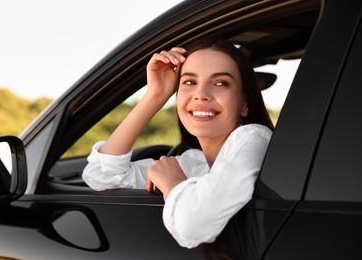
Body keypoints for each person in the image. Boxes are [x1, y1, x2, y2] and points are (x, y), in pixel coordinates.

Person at [82, 38, 273, 249]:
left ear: (245, 104)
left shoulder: (255, 138)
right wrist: (155, 95)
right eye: (189, 82)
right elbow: (102, 175)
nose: (201, 94)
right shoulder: (193, 164)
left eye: (221, 83)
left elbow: (194, 225)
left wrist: (173, 184)